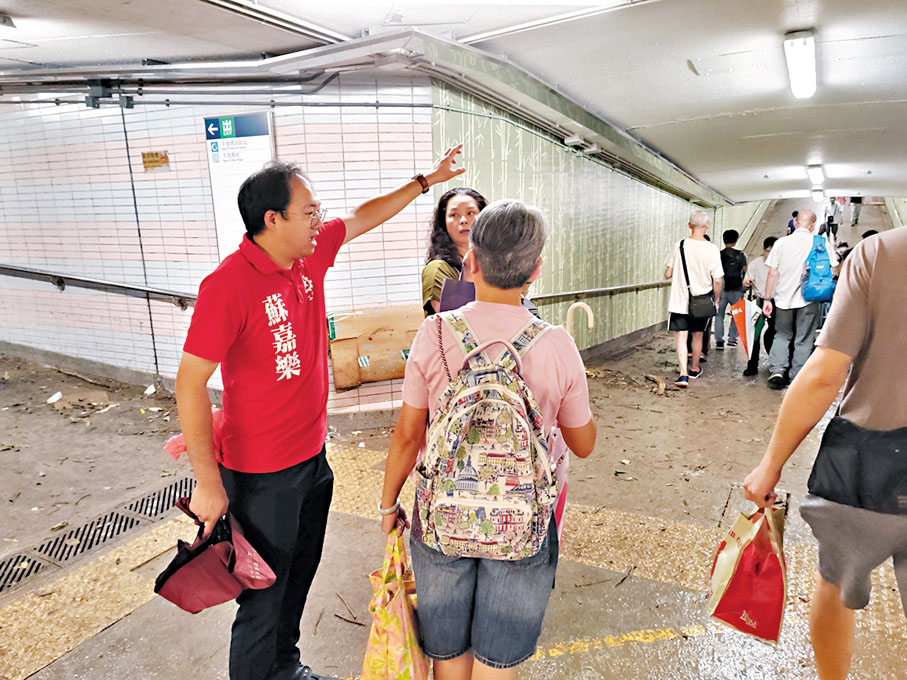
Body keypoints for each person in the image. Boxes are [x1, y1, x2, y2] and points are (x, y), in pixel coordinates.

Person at [174, 145, 466, 680]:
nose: (318, 220)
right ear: (272, 219)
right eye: (308, 212)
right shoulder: (228, 285)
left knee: (296, 579)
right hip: (261, 477)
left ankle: (285, 668)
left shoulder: (307, 257)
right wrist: (208, 484)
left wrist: (427, 181)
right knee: (263, 597)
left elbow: (363, 216)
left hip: (312, 461)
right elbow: (189, 383)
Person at [380, 199, 596, 680]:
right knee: (496, 662)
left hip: (441, 514)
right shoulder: (556, 343)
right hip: (523, 520)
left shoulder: (434, 333)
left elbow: (408, 436)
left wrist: (388, 504)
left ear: (471, 261)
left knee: (447, 653)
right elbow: (583, 444)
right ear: (536, 270)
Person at [743, 227, 907, 680]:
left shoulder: (880, 253)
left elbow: (824, 374)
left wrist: (770, 466)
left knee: (835, 586)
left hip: (870, 466)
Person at [762, 209, 838, 389]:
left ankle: (777, 371)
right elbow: (834, 267)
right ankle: (797, 375)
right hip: (809, 299)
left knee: (782, 335)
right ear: (812, 226)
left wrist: (767, 299)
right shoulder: (821, 243)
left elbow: (772, 272)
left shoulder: (781, 243)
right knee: (804, 338)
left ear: (795, 222)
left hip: (783, 299)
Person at [664, 210, 723, 387]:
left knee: (682, 337)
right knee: (697, 335)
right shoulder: (712, 249)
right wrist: (716, 300)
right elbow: (717, 280)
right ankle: (694, 368)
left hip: (679, 301)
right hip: (701, 301)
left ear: (689, 225)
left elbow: (668, 273)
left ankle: (683, 374)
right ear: (707, 226)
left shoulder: (679, 245)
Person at [422, 187, 487, 316]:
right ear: (444, 223)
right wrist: (468, 274)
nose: (463, 220)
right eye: (454, 215)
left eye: (470, 213)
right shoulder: (438, 269)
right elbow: (454, 321)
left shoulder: (493, 264)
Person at [742, 236, 777, 376]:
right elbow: (746, 282)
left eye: (774, 251)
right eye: (769, 250)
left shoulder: (781, 264)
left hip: (776, 302)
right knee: (754, 335)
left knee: (774, 333)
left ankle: (775, 362)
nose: (771, 254)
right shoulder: (755, 264)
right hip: (759, 301)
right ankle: (752, 365)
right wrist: (747, 283)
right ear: (763, 250)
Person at [715, 229, 747, 350]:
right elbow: (745, 270)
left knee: (719, 315)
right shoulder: (740, 255)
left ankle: (719, 340)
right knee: (737, 314)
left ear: (724, 240)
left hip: (722, 289)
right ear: (735, 241)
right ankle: (732, 338)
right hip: (737, 288)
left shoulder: (718, 255)